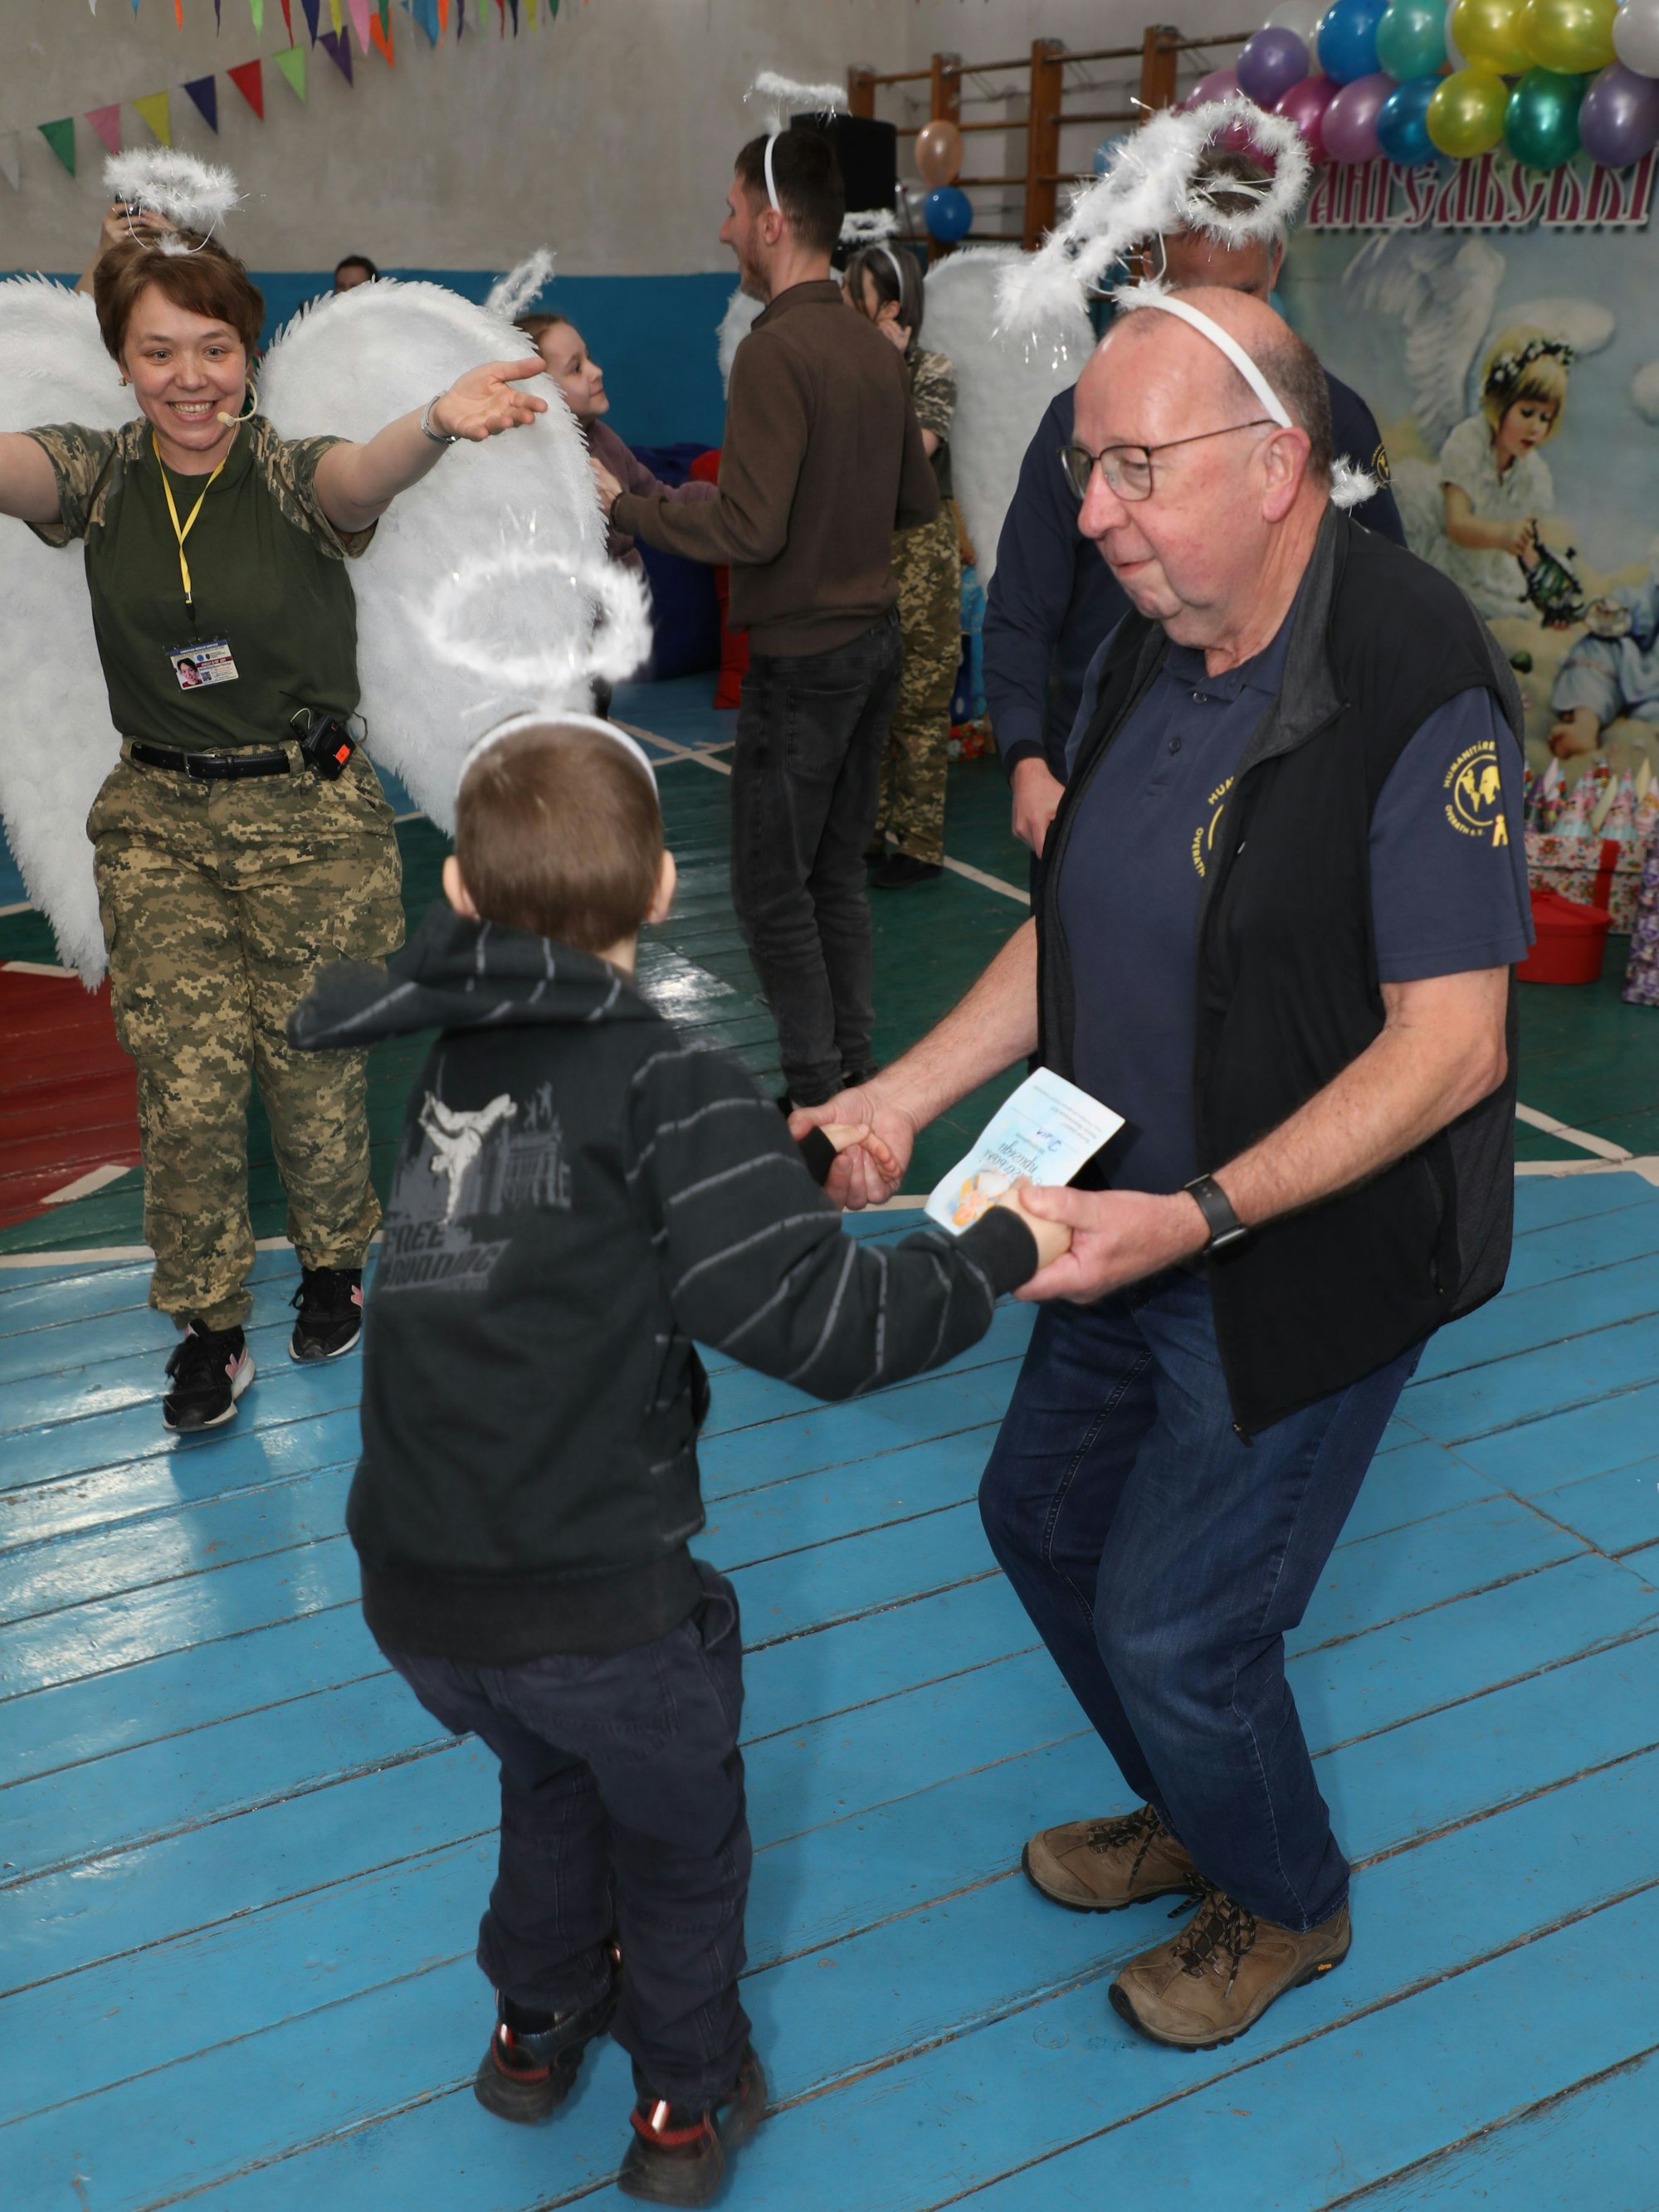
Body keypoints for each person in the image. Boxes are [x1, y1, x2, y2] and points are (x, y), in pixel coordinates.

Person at [797, 287, 1530, 2055]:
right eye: (1082, 471)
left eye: (1135, 469)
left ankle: (1285, 1894)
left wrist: (1195, 1216)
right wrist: (900, 1090)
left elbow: (1457, 1048)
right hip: (1114, 1219)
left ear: (1280, 467)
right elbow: (1073, 931)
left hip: (1296, 1257)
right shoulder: (1148, 638)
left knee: (1180, 1628)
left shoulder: (1415, 677)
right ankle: (1203, 1806)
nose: (1092, 515)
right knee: (1037, 1520)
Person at [287, 717, 1063, 2207]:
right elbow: (831, 1333)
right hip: (592, 1595)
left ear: (459, 885)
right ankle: (682, 2108)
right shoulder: (665, 1075)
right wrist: (994, 1247)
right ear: (658, 893)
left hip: (419, 1591)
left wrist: (762, 1159)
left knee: (549, 1771)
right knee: (681, 1826)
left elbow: (571, 1207)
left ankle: (530, 2030)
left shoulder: (454, 1059)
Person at [0, 221, 547, 1433]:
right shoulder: (99, 471)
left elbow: (361, 476)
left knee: (312, 1076)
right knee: (185, 1090)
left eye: (213, 347)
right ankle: (206, 1328)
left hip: (309, 819)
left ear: (248, 353)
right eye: (158, 352)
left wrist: (434, 425)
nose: (189, 377)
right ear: (123, 362)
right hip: (159, 825)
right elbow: (13, 469)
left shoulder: (291, 472)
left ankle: (332, 1264)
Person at [588, 125, 938, 1110]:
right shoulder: (872, 349)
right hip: (874, 649)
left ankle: (816, 1092)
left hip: (806, 661)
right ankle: (853, 1069)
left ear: (774, 222)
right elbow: (914, 498)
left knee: (770, 890)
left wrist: (624, 506)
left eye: (735, 210)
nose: (724, 228)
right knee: (833, 878)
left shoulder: (774, 351)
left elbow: (748, 523)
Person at [985, 147, 1406, 862]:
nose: (1217, 327)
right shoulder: (1080, 421)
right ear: (1152, 269)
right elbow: (1021, 608)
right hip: (1098, 777)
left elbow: (1382, 611)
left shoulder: (1337, 423)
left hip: (1273, 793)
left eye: (1240, 296)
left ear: (1276, 264)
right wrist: (1027, 764)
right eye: (1191, 296)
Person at [844, 240, 960, 888]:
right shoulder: (847, 368)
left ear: (889, 306)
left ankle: (917, 844)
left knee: (918, 699)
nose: (842, 304)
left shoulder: (932, 369)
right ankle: (863, 832)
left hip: (919, 549)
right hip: (861, 546)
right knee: (865, 696)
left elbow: (914, 452)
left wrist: (886, 372)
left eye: (853, 294)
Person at [517, 311, 715, 580]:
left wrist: (721, 499)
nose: (596, 371)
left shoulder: (603, 438)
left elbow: (656, 497)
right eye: (576, 368)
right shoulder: (531, 466)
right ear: (536, 392)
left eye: (589, 358)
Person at [1398, 329, 1571, 626]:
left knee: (1517, 602)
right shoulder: (1469, 444)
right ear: (1501, 406)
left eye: (1545, 418)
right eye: (1527, 413)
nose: (1535, 428)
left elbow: (1526, 547)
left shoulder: (1532, 473)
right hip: (1445, 539)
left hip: (1486, 558)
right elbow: (1457, 525)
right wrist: (1504, 535)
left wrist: (1547, 595)